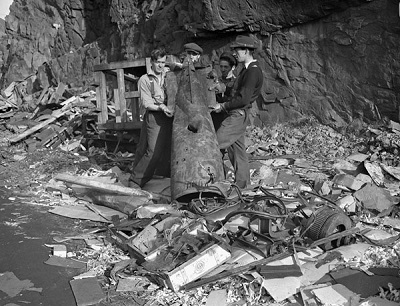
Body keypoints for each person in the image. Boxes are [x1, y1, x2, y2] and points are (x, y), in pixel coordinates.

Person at [211, 35, 264, 189]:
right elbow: (238, 92)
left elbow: (243, 99)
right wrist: (224, 88)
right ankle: (243, 185)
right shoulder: (246, 70)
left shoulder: (252, 71)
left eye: (238, 50)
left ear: (247, 51)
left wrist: (222, 106)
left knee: (214, 144)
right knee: (238, 151)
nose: (235, 53)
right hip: (238, 113)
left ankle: (209, 181)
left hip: (237, 114)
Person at [130, 48, 173, 188]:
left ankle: (163, 176)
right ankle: (136, 180)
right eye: (158, 62)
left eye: (163, 62)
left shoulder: (169, 76)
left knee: (167, 148)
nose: (161, 66)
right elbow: (147, 103)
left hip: (170, 116)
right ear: (152, 62)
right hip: (155, 116)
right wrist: (161, 107)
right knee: (153, 150)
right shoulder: (145, 79)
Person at [209, 51, 238, 131]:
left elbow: (235, 102)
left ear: (233, 67)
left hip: (229, 119)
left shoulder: (236, 83)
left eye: (226, 67)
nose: (222, 69)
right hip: (214, 118)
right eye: (221, 66)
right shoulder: (216, 81)